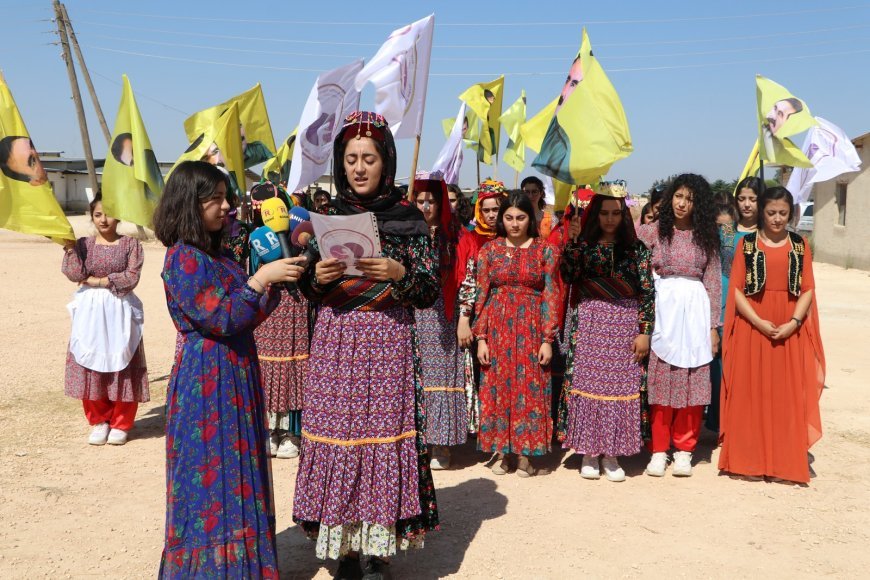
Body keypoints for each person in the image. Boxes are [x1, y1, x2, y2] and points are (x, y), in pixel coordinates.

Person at [293, 112, 440, 579]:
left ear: (385, 163)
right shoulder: (329, 216)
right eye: (351, 159)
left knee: (379, 440)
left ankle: (377, 550)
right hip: (336, 344)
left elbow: (428, 290)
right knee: (342, 439)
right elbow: (307, 289)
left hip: (387, 343)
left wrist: (401, 273)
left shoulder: (408, 219)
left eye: (369, 159)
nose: (359, 168)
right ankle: (347, 549)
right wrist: (315, 277)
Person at [153, 160, 305, 578]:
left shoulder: (215, 255)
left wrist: (276, 278)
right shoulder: (182, 258)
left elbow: (247, 314)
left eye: (226, 198)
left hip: (236, 372)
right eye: (215, 200)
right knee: (208, 478)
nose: (226, 207)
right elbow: (220, 316)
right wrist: (260, 280)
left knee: (239, 470)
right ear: (189, 203)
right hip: (205, 380)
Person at [719, 186, 825, 484]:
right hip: (754, 325)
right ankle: (748, 460)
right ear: (762, 213)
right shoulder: (747, 244)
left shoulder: (800, 244)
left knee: (786, 396)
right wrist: (758, 321)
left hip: (789, 327)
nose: (777, 219)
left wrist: (793, 322)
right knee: (750, 392)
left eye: (783, 213)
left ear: (791, 213)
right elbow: (738, 289)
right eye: (771, 213)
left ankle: (784, 462)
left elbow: (807, 289)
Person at [560, 193, 654, 481]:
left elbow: (648, 291)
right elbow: (568, 275)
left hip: (624, 324)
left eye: (616, 213)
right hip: (590, 321)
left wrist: (645, 332)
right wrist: (572, 243)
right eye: (604, 213)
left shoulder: (636, 249)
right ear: (596, 215)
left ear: (624, 215)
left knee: (619, 387)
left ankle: (611, 455)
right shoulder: (583, 246)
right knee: (588, 383)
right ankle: (588, 452)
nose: (610, 219)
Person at [637, 174, 721, 478]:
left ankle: (685, 450)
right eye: (678, 196)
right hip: (663, 311)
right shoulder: (652, 232)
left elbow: (712, 282)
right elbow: (623, 243)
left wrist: (713, 326)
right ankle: (658, 450)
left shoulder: (705, 236)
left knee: (692, 382)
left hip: (695, 314)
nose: (683, 204)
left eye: (690, 199)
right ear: (670, 198)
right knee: (662, 382)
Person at [474, 192, 560, 477]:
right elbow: (483, 295)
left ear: (530, 219)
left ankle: (525, 454)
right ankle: (502, 451)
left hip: (532, 327)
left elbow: (550, 293)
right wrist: (481, 337)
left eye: (520, 217)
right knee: (498, 387)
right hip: (497, 328)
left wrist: (548, 340)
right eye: (508, 217)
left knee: (530, 388)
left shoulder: (544, 250)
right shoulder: (490, 250)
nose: (514, 223)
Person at [62, 192, 149, 446]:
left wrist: (97, 281)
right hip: (89, 312)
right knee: (88, 361)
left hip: (119, 310)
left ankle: (121, 422)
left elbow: (131, 277)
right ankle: (99, 420)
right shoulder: (83, 245)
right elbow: (74, 272)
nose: (103, 220)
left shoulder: (131, 245)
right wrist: (69, 248)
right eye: (98, 215)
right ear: (91, 216)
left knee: (122, 361)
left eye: (108, 214)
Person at [249, 183, 311, 461]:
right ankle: (268, 430)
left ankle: (291, 433)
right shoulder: (255, 237)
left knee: (293, 368)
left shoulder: (302, 230)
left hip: (296, 306)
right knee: (268, 367)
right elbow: (250, 272)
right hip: (267, 307)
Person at [413, 171, 467, 470]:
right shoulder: (407, 233)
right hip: (414, 313)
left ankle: (442, 444)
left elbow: (468, 278)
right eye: (419, 201)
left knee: (443, 376)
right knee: (417, 376)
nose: (425, 207)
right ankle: (421, 440)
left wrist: (465, 317)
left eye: (430, 201)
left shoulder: (457, 236)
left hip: (446, 313)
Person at [455, 180, 508, 435]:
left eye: (495, 209)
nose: (490, 215)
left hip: (503, 314)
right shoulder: (469, 237)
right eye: (485, 210)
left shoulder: (512, 238)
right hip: (474, 311)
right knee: (476, 370)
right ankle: (478, 425)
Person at [705, 201, 744, 434]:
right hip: (709, 307)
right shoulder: (705, 241)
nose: (723, 232)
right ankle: (716, 422)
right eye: (718, 226)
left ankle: (729, 423)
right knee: (713, 371)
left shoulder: (740, 240)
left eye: (727, 227)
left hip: (733, 308)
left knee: (729, 370)